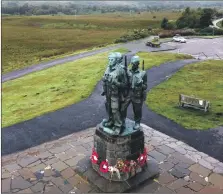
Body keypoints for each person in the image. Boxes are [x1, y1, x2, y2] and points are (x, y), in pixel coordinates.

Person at [101, 52, 126, 134]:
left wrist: (116, 83)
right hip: (108, 92)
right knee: (108, 107)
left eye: (112, 60)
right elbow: (105, 78)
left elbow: (125, 84)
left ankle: (118, 126)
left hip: (116, 93)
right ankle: (111, 121)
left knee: (115, 109)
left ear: (116, 60)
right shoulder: (108, 68)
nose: (110, 61)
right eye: (109, 59)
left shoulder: (120, 70)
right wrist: (104, 81)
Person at [121, 55, 147, 130]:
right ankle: (122, 121)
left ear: (138, 64)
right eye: (132, 63)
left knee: (137, 110)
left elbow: (145, 86)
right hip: (128, 93)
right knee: (123, 108)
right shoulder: (128, 71)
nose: (132, 65)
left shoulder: (143, 73)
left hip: (137, 94)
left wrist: (141, 84)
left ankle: (137, 122)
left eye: (134, 64)